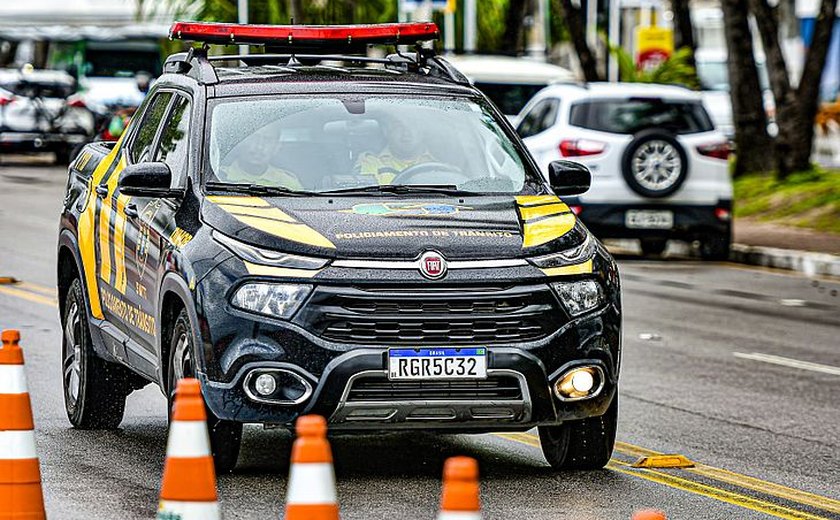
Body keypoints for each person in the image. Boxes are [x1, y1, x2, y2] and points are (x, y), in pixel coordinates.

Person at [355, 117, 435, 185]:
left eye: (413, 126)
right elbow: (366, 198)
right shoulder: (371, 162)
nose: (406, 133)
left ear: (423, 132)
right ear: (387, 132)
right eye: (399, 126)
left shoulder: (439, 163)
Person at [220, 129, 303, 190]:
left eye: (267, 140)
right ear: (240, 142)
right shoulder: (219, 177)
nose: (259, 147)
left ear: (276, 147)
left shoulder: (288, 183)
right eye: (253, 138)